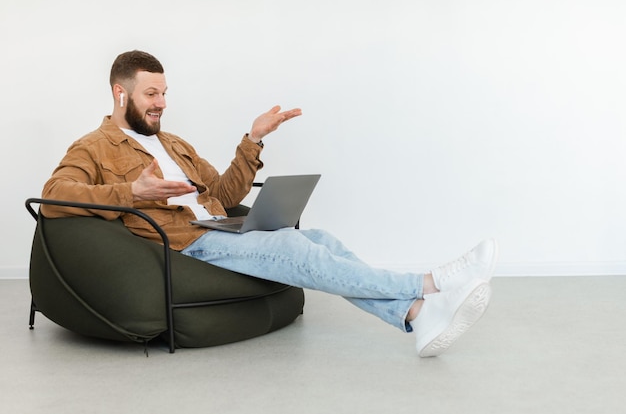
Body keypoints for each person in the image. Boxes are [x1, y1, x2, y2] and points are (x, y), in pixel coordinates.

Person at [41, 50, 498, 357]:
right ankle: (430, 284)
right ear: (121, 94)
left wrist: (253, 139)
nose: (161, 102)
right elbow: (55, 195)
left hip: (218, 227)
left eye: (164, 92)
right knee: (298, 249)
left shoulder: (173, 144)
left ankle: (417, 317)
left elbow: (222, 195)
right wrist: (131, 193)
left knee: (320, 238)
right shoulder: (94, 147)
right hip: (186, 242)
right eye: (151, 94)